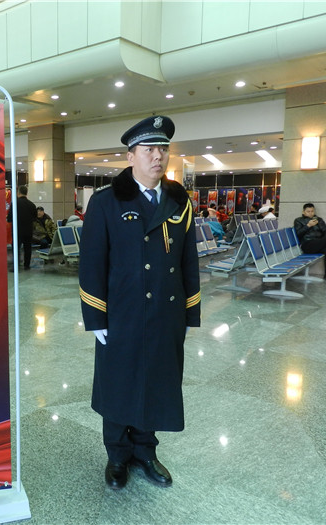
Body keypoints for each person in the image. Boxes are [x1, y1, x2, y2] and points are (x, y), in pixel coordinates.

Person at [78, 115, 201, 490]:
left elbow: (188, 261)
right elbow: (92, 264)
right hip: (123, 313)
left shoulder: (179, 201)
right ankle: (117, 455)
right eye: (149, 149)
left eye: (163, 149)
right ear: (130, 156)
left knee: (157, 382)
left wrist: (189, 313)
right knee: (119, 384)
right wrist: (96, 317)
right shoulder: (106, 202)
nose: (157, 156)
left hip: (165, 313)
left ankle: (146, 451)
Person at [7, 185, 37, 270]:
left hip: (17, 231)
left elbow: (9, 218)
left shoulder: (15, 203)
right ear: (26, 193)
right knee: (28, 248)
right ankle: (27, 265)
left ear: (18, 193)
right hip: (28, 230)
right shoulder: (32, 205)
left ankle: (15, 266)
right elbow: (35, 218)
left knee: (16, 248)